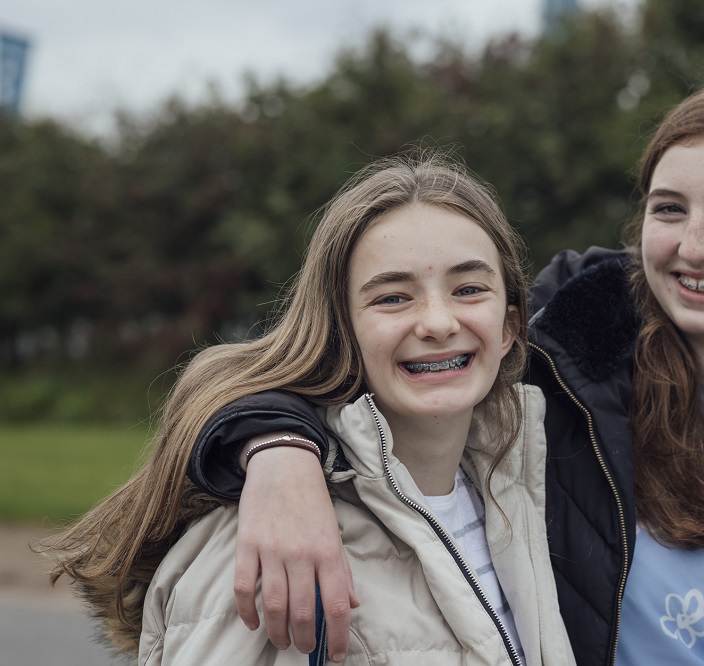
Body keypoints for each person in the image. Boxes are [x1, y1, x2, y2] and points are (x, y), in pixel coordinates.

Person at [184, 80, 704, 665]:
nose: (694, 245)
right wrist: (278, 458)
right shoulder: (567, 344)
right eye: (669, 209)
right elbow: (324, 359)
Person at [44, 155, 575, 665]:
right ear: (342, 329)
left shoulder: (521, 489)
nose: (437, 322)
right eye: (392, 297)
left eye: (469, 289)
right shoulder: (271, 537)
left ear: (508, 328)